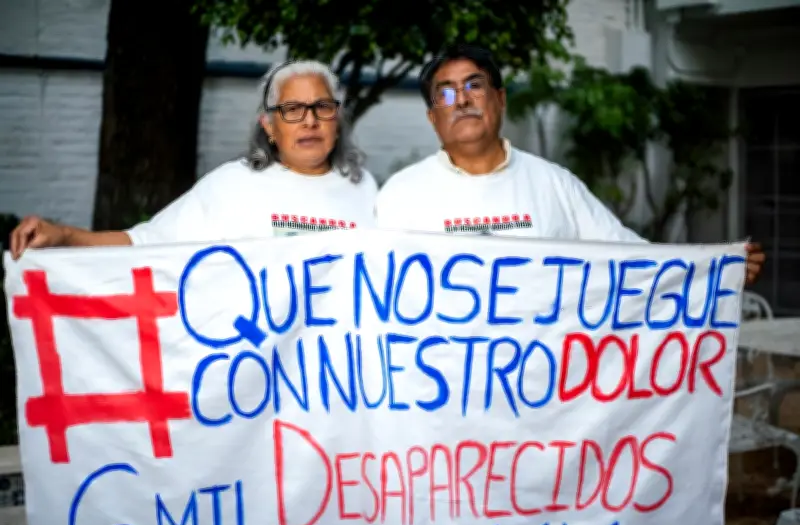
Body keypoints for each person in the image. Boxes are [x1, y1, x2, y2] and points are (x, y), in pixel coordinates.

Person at [375, 44, 765, 285]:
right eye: (445, 93)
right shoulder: (400, 195)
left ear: (500, 99)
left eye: (474, 85)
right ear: (432, 117)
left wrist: (714, 270)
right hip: (439, 398)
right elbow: (368, 286)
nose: (461, 100)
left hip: (537, 395)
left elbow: (629, 257)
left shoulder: (554, 185)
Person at [9, 59, 377, 258]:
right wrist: (64, 236)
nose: (310, 120)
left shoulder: (366, 190)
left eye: (322, 107)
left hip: (339, 385)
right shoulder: (233, 186)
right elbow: (146, 244)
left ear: (337, 119)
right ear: (269, 126)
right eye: (293, 108)